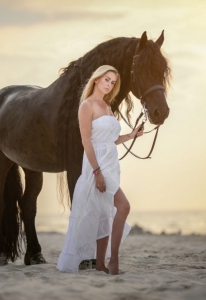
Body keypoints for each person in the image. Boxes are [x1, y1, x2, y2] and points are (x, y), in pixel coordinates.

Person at [56, 65, 144, 275]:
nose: (109, 84)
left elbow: (112, 140)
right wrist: (96, 172)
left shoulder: (107, 107)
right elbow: (86, 141)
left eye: (113, 82)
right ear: (96, 79)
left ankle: (103, 264)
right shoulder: (87, 106)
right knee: (123, 207)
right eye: (107, 79)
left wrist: (131, 135)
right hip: (96, 165)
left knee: (105, 214)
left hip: (111, 163)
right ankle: (113, 261)